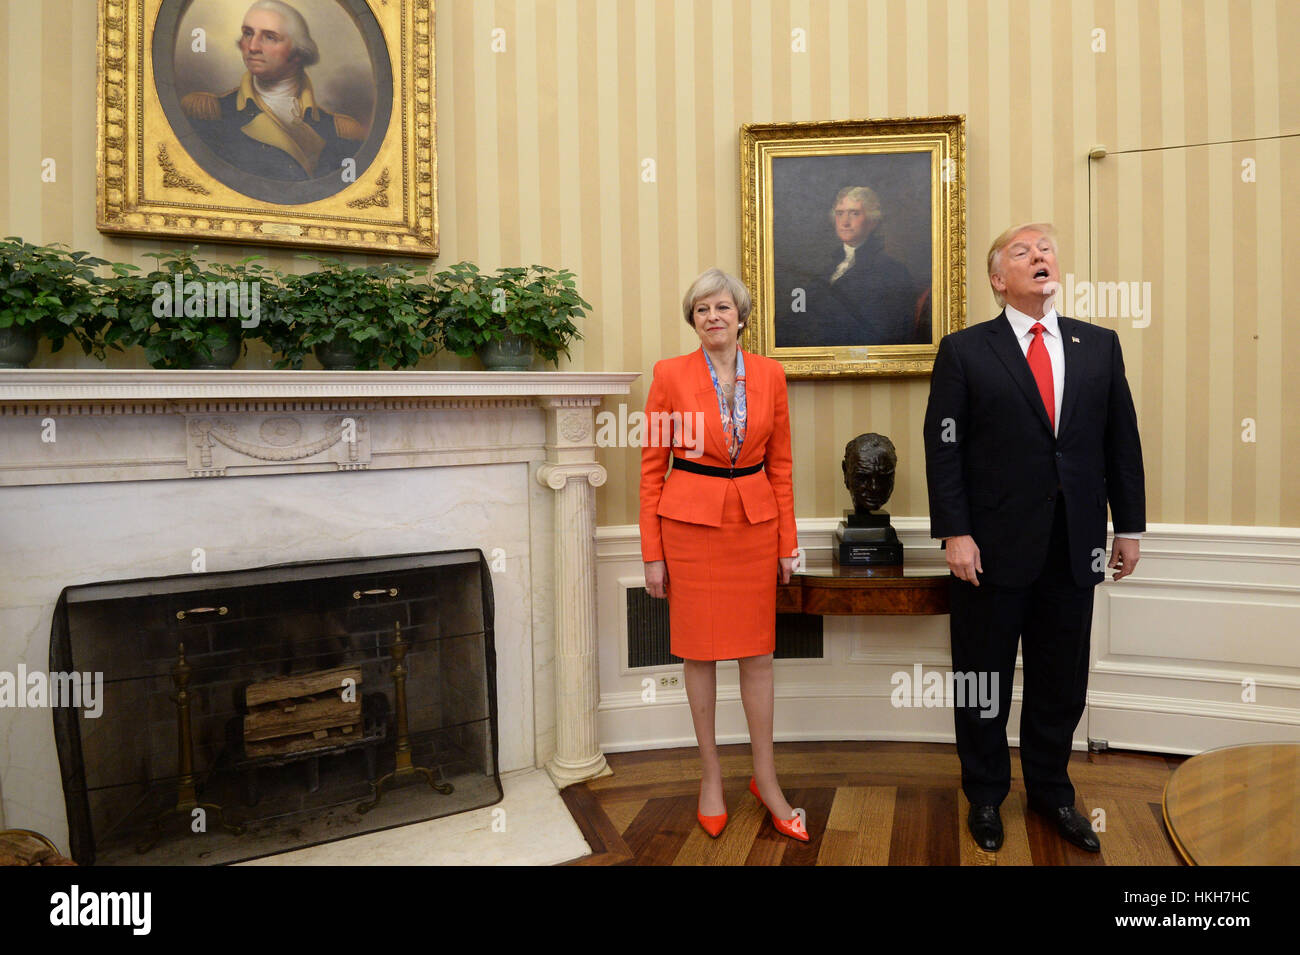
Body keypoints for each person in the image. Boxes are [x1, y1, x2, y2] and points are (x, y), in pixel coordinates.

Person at [922, 223, 1145, 854]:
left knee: (1059, 681)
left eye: (1047, 247)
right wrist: (956, 533)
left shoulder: (1099, 346)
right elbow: (943, 449)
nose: (1040, 256)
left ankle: (1051, 792)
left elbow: (1120, 442)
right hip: (987, 552)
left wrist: (1127, 526)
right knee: (983, 679)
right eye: (1022, 252)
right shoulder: (965, 351)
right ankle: (986, 797)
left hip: (1076, 547)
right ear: (998, 280)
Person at [639, 268, 808, 842]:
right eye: (701, 309)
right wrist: (651, 554)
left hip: (754, 528)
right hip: (687, 531)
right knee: (700, 654)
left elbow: (781, 465)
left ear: (741, 316)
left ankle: (767, 778)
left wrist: (788, 541)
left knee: (757, 656)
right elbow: (650, 471)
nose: (713, 316)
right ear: (693, 321)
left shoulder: (771, 375)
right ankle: (711, 778)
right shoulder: (669, 376)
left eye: (722, 307)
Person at [180, 0, 366, 181]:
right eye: (248, 33)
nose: (252, 47)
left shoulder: (339, 131)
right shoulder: (210, 113)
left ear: (298, 53)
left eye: (269, 37)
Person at [777, 186, 926, 348]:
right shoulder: (825, 267)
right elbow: (798, 315)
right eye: (840, 214)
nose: (845, 222)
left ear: (872, 221)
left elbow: (886, 333)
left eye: (854, 213)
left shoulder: (892, 271)